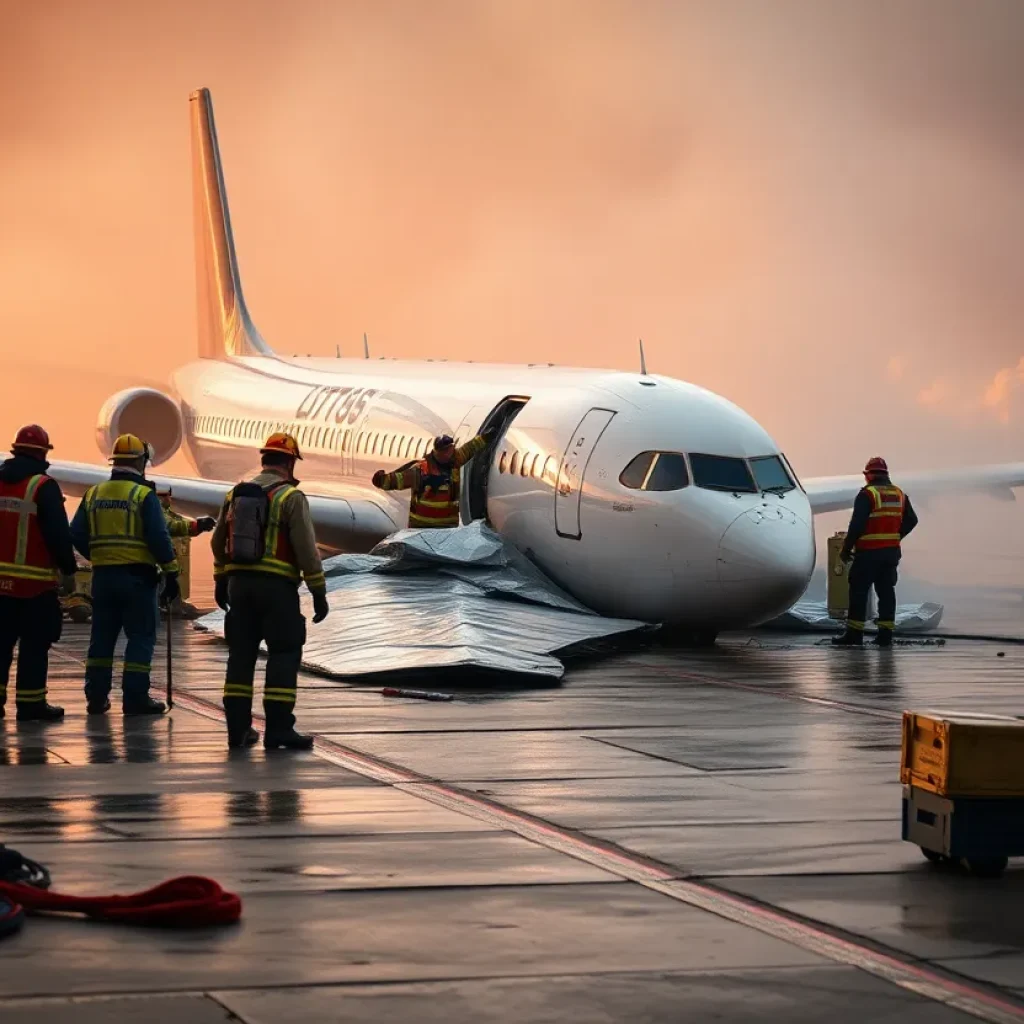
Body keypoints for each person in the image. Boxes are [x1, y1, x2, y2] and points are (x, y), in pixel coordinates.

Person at [210, 432, 329, 751]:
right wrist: (318, 590)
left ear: (264, 459)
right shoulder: (290, 497)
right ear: (289, 462)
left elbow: (217, 541)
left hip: (240, 588)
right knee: (284, 653)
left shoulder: (235, 494)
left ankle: (238, 731)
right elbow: (306, 548)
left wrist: (221, 578)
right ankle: (278, 730)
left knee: (240, 659)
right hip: (277, 590)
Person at [70, 434, 179, 715]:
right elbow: (159, 537)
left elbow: (77, 533)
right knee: (141, 638)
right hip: (137, 579)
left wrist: (100, 556)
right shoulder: (143, 495)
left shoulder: (94, 494)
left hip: (104, 579)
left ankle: (96, 698)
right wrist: (172, 572)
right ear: (141, 461)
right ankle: (135, 699)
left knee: (102, 639)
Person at [0, 426, 78, 721]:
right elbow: (58, 534)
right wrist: (69, 570)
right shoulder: (42, 487)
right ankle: (31, 705)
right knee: (34, 647)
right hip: (34, 587)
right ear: (44, 453)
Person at [833, 456, 918, 648]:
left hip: (868, 553)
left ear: (869, 475)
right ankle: (885, 636)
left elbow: (856, 525)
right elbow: (912, 520)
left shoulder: (867, 495)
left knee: (859, 592)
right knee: (887, 592)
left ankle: (854, 635)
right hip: (890, 554)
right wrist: (895, 536)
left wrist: (846, 549)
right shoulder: (899, 494)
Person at [371, 430, 494, 528]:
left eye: (450, 449)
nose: (448, 453)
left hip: (447, 527)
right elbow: (398, 480)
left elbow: (469, 449)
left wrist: (484, 438)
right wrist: (381, 480)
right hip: (422, 528)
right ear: (437, 452)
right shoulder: (421, 470)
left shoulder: (454, 461)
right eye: (445, 451)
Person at [154, 485, 215, 619]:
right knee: (162, 584)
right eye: (167, 496)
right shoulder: (155, 508)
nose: (170, 499)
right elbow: (170, 525)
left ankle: (172, 607)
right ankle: (167, 609)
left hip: (163, 563)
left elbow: (178, 522)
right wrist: (197, 525)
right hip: (157, 562)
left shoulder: (166, 512)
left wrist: (197, 526)